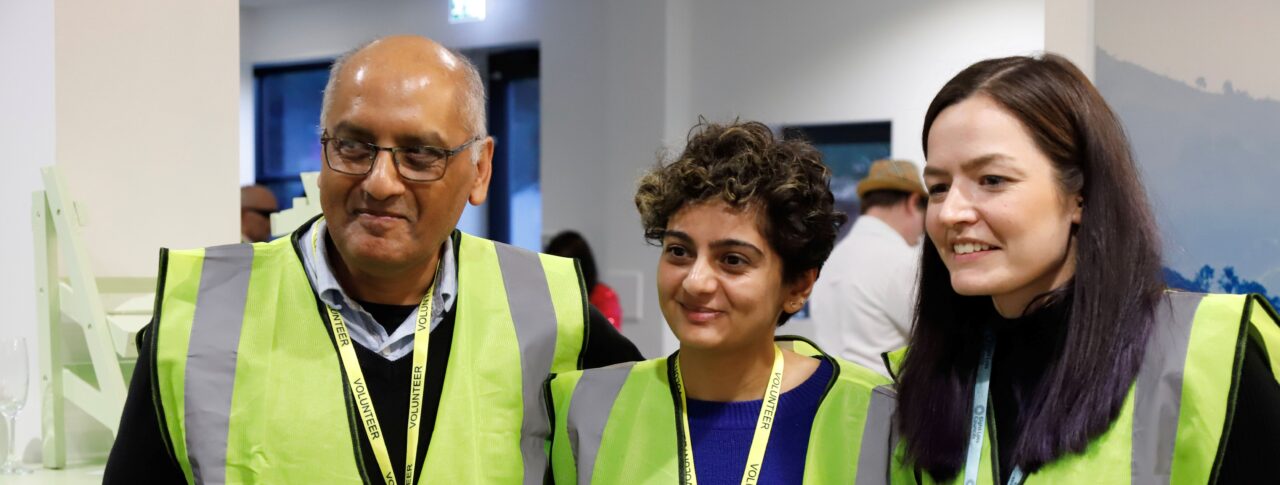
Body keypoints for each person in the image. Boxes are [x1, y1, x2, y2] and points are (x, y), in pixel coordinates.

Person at [104, 35, 641, 484]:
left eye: (420, 154)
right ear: (323, 153)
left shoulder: (555, 320)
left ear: (480, 170)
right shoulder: (199, 324)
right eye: (354, 145)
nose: (380, 182)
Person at [891, 53, 1280, 484]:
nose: (950, 213)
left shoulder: (1208, 352)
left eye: (992, 180)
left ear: (1079, 194)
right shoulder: (928, 383)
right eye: (939, 187)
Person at [546, 121, 896, 484]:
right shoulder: (584, 409)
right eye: (679, 252)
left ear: (798, 286)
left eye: (732, 260)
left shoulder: (876, 414)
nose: (696, 282)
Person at [810, 159, 926, 373]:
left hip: (833, 397)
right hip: (885, 401)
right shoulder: (901, 259)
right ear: (913, 202)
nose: (922, 231)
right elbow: (934, 340)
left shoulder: (832, 260)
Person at [545, 230, 624, 329]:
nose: (557, 278)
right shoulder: (546, 296)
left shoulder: (603, 297)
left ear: (581, 270)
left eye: (563, 271)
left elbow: (606, 340)